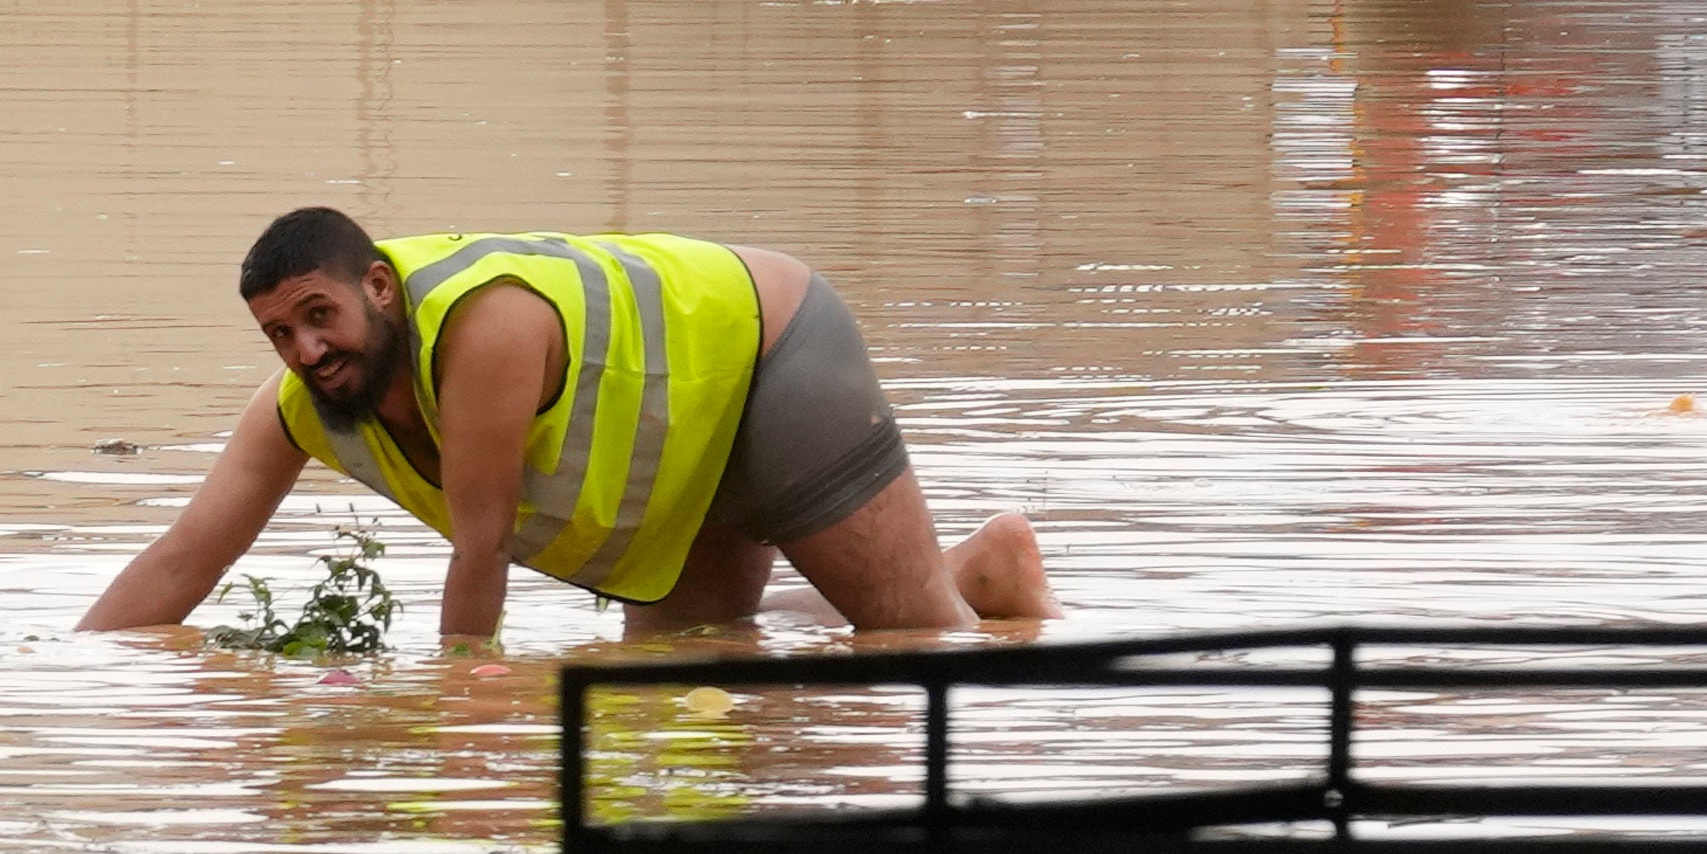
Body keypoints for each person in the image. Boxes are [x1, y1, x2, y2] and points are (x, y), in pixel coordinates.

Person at [81, 210, 1047, 654]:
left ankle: (981, 643)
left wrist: (462, 707)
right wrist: (67, 666)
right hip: (680, 447)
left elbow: (483, 548)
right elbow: (181, 561)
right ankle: (980, 568)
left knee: (916, 638)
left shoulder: (483, 328)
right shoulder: (298, 403)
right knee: (693, 651)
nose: (305, 351)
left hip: (766, 357)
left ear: (379, 287)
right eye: (280, 335)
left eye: (318, 317)